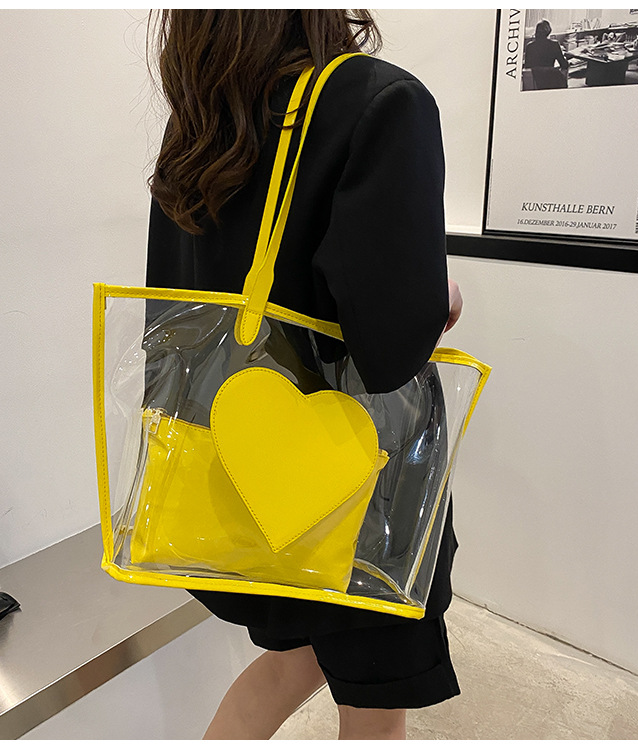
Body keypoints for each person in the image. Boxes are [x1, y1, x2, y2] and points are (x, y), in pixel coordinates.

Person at [145, 9, 464, 740]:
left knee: (292, 662)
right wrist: (439, 296)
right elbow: (390, 351)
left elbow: (179, 317)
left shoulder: (200, 125)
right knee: (373, 711)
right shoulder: (382, 103)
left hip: (242, 479)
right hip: (356, 488)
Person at [524, 19, 569, 89]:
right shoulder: (554, 45)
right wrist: (566, 58)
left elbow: (527, 66)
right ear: (548, 31)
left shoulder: (529, 46)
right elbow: (564, 64)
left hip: (535, 81)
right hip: (551, 80)